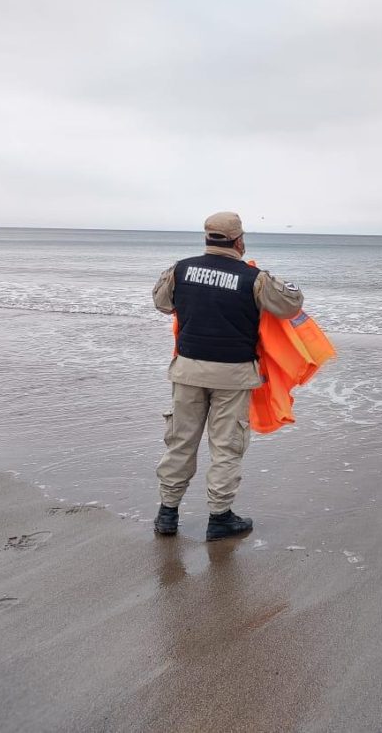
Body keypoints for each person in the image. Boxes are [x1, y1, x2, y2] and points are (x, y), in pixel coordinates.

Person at [152, 212, 304, 541]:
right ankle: (219, 518)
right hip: (233, 376)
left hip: (188, 370)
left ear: (207, 238)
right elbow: (291, 305)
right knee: (226, 448)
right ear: (239, 241)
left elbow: (161, 303)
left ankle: (167, 514)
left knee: (180, 442)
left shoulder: (180, 269)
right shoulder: (254, 279)